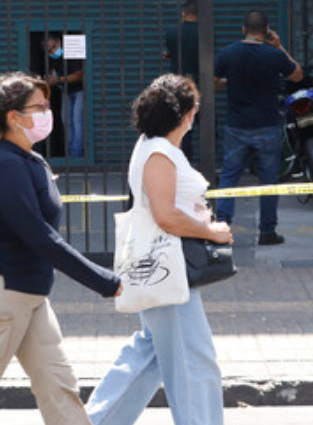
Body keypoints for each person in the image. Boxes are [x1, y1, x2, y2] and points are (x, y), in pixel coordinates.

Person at [0, 71, 121, 425]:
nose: (49, 111)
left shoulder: (26, 159)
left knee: (59, 388)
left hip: (28, 294)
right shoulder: (5, 164)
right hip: (1, 298)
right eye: (40, 106)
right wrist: (105, 281)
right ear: (14, 117)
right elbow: (39, 236)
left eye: (48, 104)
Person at [86, 74, 233, 425]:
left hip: (161, 268)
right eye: (195, 107)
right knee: (194, 361)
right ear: (187, 114)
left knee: (151, 354)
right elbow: (165, 215)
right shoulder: (159, 152)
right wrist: (210, 232)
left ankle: (94, 421)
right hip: (169, 268)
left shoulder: (154, 147)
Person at [213, 10, 303, 246]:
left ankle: (222, 229)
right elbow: (297, 75)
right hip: (267, 126)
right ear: (266, 31)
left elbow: (212, 81)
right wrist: (280, 46)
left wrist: (230, 80)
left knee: (229, 177)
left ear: (243, 30)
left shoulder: (229, 54)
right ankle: (267, 232)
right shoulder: (273, 55)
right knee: (269, 180)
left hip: (237, 126)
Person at [162, 0, 199, 161]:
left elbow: (170, 53)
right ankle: (208, 166)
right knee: (206, 126)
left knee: (181, 125)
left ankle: (183, 160)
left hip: (178, 84)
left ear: (183, 13)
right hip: (200, 82)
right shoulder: (205, 32)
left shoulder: (172, 32)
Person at [44, 35, 86, 160]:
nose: (52, 51)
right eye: (49, 50)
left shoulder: (72, 54)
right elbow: (53, 74)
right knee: (66, 121)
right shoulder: (53, 58)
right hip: (66, 91)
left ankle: (75, 154)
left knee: (77, 121)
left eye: (53, 47)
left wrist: (57, 80)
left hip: (79, 90)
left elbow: (80, 75)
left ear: (58, 41)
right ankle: (70, 152)